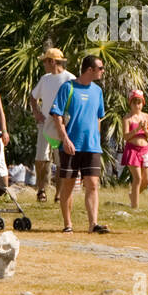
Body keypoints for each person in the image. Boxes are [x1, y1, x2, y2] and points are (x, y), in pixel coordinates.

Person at [49, 55, 108, 235]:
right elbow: (57, 115)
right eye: (100, 68)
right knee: (68, 184)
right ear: (89, 69)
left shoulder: (98, 91)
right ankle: (68, 224)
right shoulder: (68, 87)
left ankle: (93, 224)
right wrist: (65, 139)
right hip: (70, 145)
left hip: (92, 146)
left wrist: (96, 139)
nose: (102, 71)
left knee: (92, 184)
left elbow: (99, 117)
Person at [30, 48, 73, 203]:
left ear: (52, 61)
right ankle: (41, 190)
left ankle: (59, 194)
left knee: (61, 160)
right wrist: (36, 113)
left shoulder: (70, 79)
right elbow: (33, 97)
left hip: (63, 123)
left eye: (45, 61)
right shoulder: (45, 79)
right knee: (40, 158)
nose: (44, 65)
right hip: (46, 122)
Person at [122, 89, 148, 209]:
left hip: (144, 150)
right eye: (135, 102)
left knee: (147, 180)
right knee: (138, 178)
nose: (137, 105)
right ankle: (135, 206)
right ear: (130, 103)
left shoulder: (147, 117)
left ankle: (133, 196)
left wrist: (145, 130)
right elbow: (126, 136)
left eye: (139, 102)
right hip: (132, 150)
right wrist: (137, 129)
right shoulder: (127, 118)